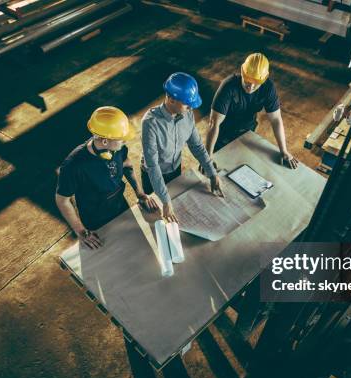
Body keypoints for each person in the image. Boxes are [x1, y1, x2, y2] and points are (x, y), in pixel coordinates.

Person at [56, 106, 158, 249]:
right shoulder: (73, 166)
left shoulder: (117, 148)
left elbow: (127, 165)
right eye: (121, 139)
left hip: (120, 205)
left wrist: (140, 194)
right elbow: (62, 200)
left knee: (134, 245)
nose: (124, 142)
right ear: (105, 141)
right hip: (96, 218)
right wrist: (81, 231)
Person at [141, 72, 224, 223]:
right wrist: (165, 200)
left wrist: (212, 172)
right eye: (187, 104)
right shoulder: (150, 123)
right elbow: (152, 166)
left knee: (177, 214)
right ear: (171, 99)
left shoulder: (188, 114)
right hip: (153, 176)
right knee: (156, 219)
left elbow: (196, 145)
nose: (191, 107)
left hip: (175, 169)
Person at [204, 52, 299, 169]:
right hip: (222, 134)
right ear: (242, 72)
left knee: (241, 166)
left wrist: (284, 150)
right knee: (220, 168)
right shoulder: (228, 87)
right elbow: (214, 124)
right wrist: (207, 158)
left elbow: (276, 120)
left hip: (247, 132)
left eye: (256, 83)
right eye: (248, 81)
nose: (251, 87)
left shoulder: (268, 88)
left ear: (264, 79)